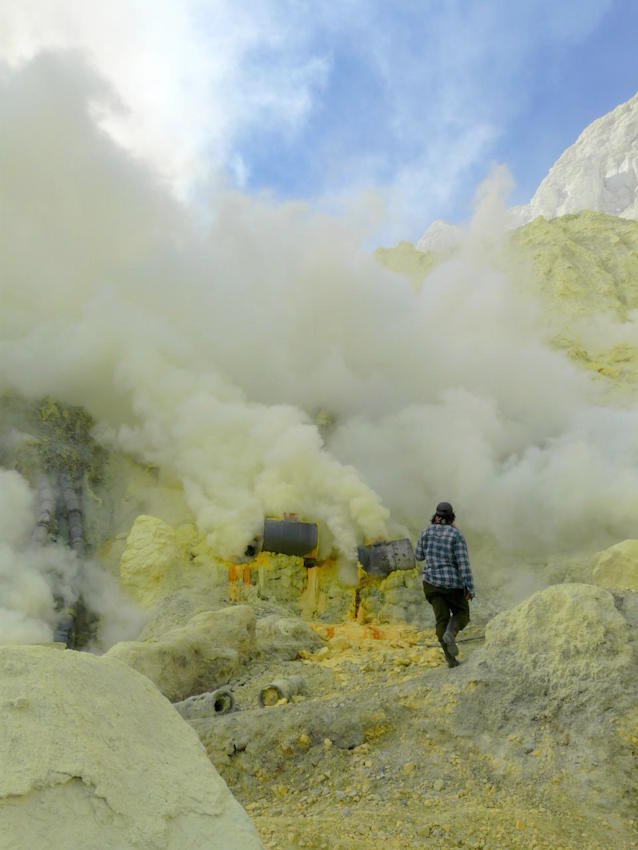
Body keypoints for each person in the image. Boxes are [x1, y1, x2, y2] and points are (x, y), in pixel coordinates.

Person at [415, 501, 475, 668]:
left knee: (441, 619)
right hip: (452, 585)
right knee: (462, 614)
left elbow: (418, 556)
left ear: (436, 515)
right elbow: (463, 564)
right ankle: (451, 633)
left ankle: (451, 660)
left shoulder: (425, 532)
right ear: (451, 517)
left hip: (431, 584)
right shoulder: (456, 535)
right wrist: (469, 587)